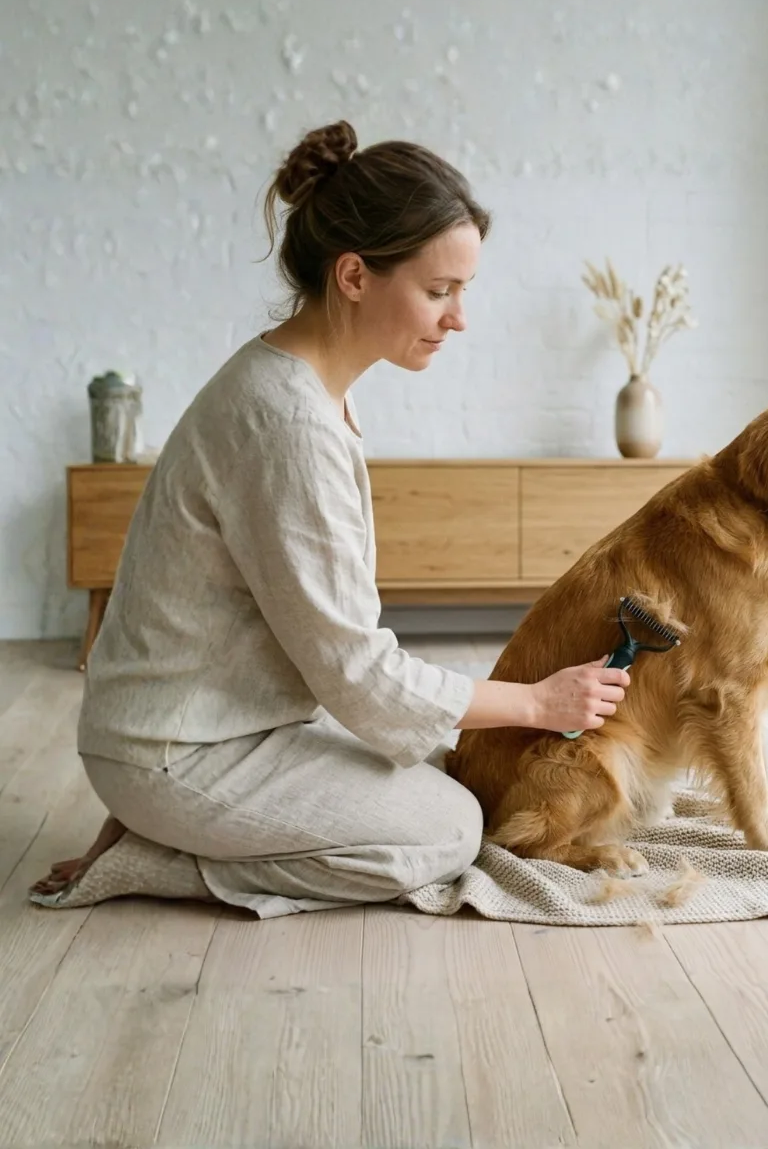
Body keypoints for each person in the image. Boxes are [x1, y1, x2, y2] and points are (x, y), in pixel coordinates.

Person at [30, 120, 631, 918]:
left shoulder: (299, 386)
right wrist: (535, 703)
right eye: (439, 290)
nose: (458, 319)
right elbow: (359, 677)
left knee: (439, 775)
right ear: (354, 275)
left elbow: (343, 672)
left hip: (202, 731)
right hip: (174, 754)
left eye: (464, 291)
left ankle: (180, 831)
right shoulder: (286, 422)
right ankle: (161, 860)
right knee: (448, 832)